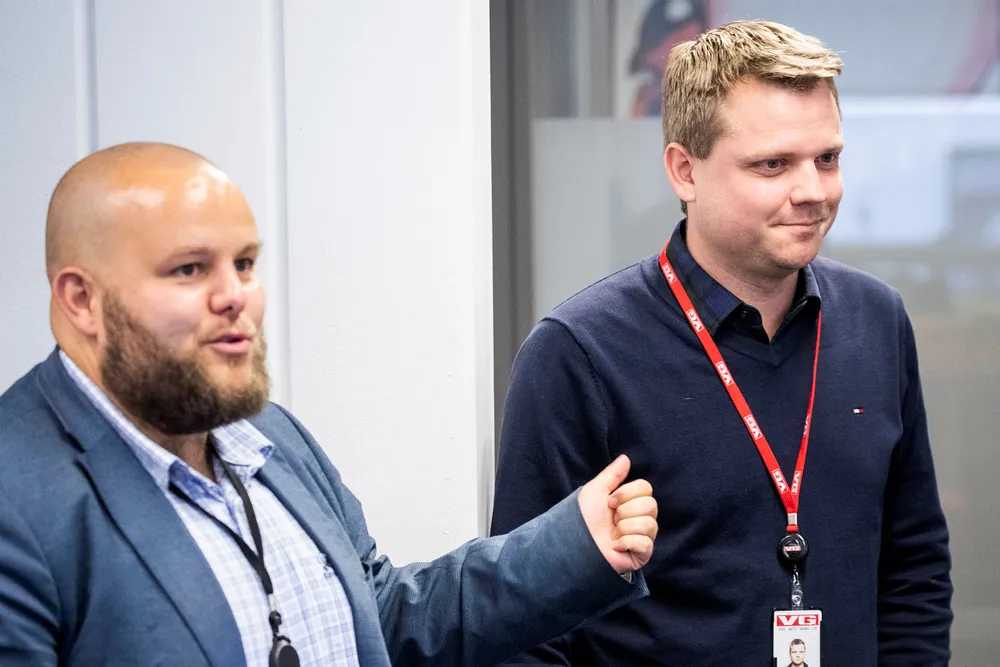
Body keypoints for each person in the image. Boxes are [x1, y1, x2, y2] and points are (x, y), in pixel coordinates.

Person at [0, 142, 661, 667]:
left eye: (245, 264)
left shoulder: (267, 436)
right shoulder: (19, 501)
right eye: (189, 269)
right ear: (82, 300)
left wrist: (573, 547)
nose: (235, 296)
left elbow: (384, 617)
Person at [491, 19, 953, 666]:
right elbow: (523, 626)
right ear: (685, 171)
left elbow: (914, 570)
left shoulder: (877, 321)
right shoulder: (579, 353)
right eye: (773, 165)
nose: (813, 191)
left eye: (827, 158)